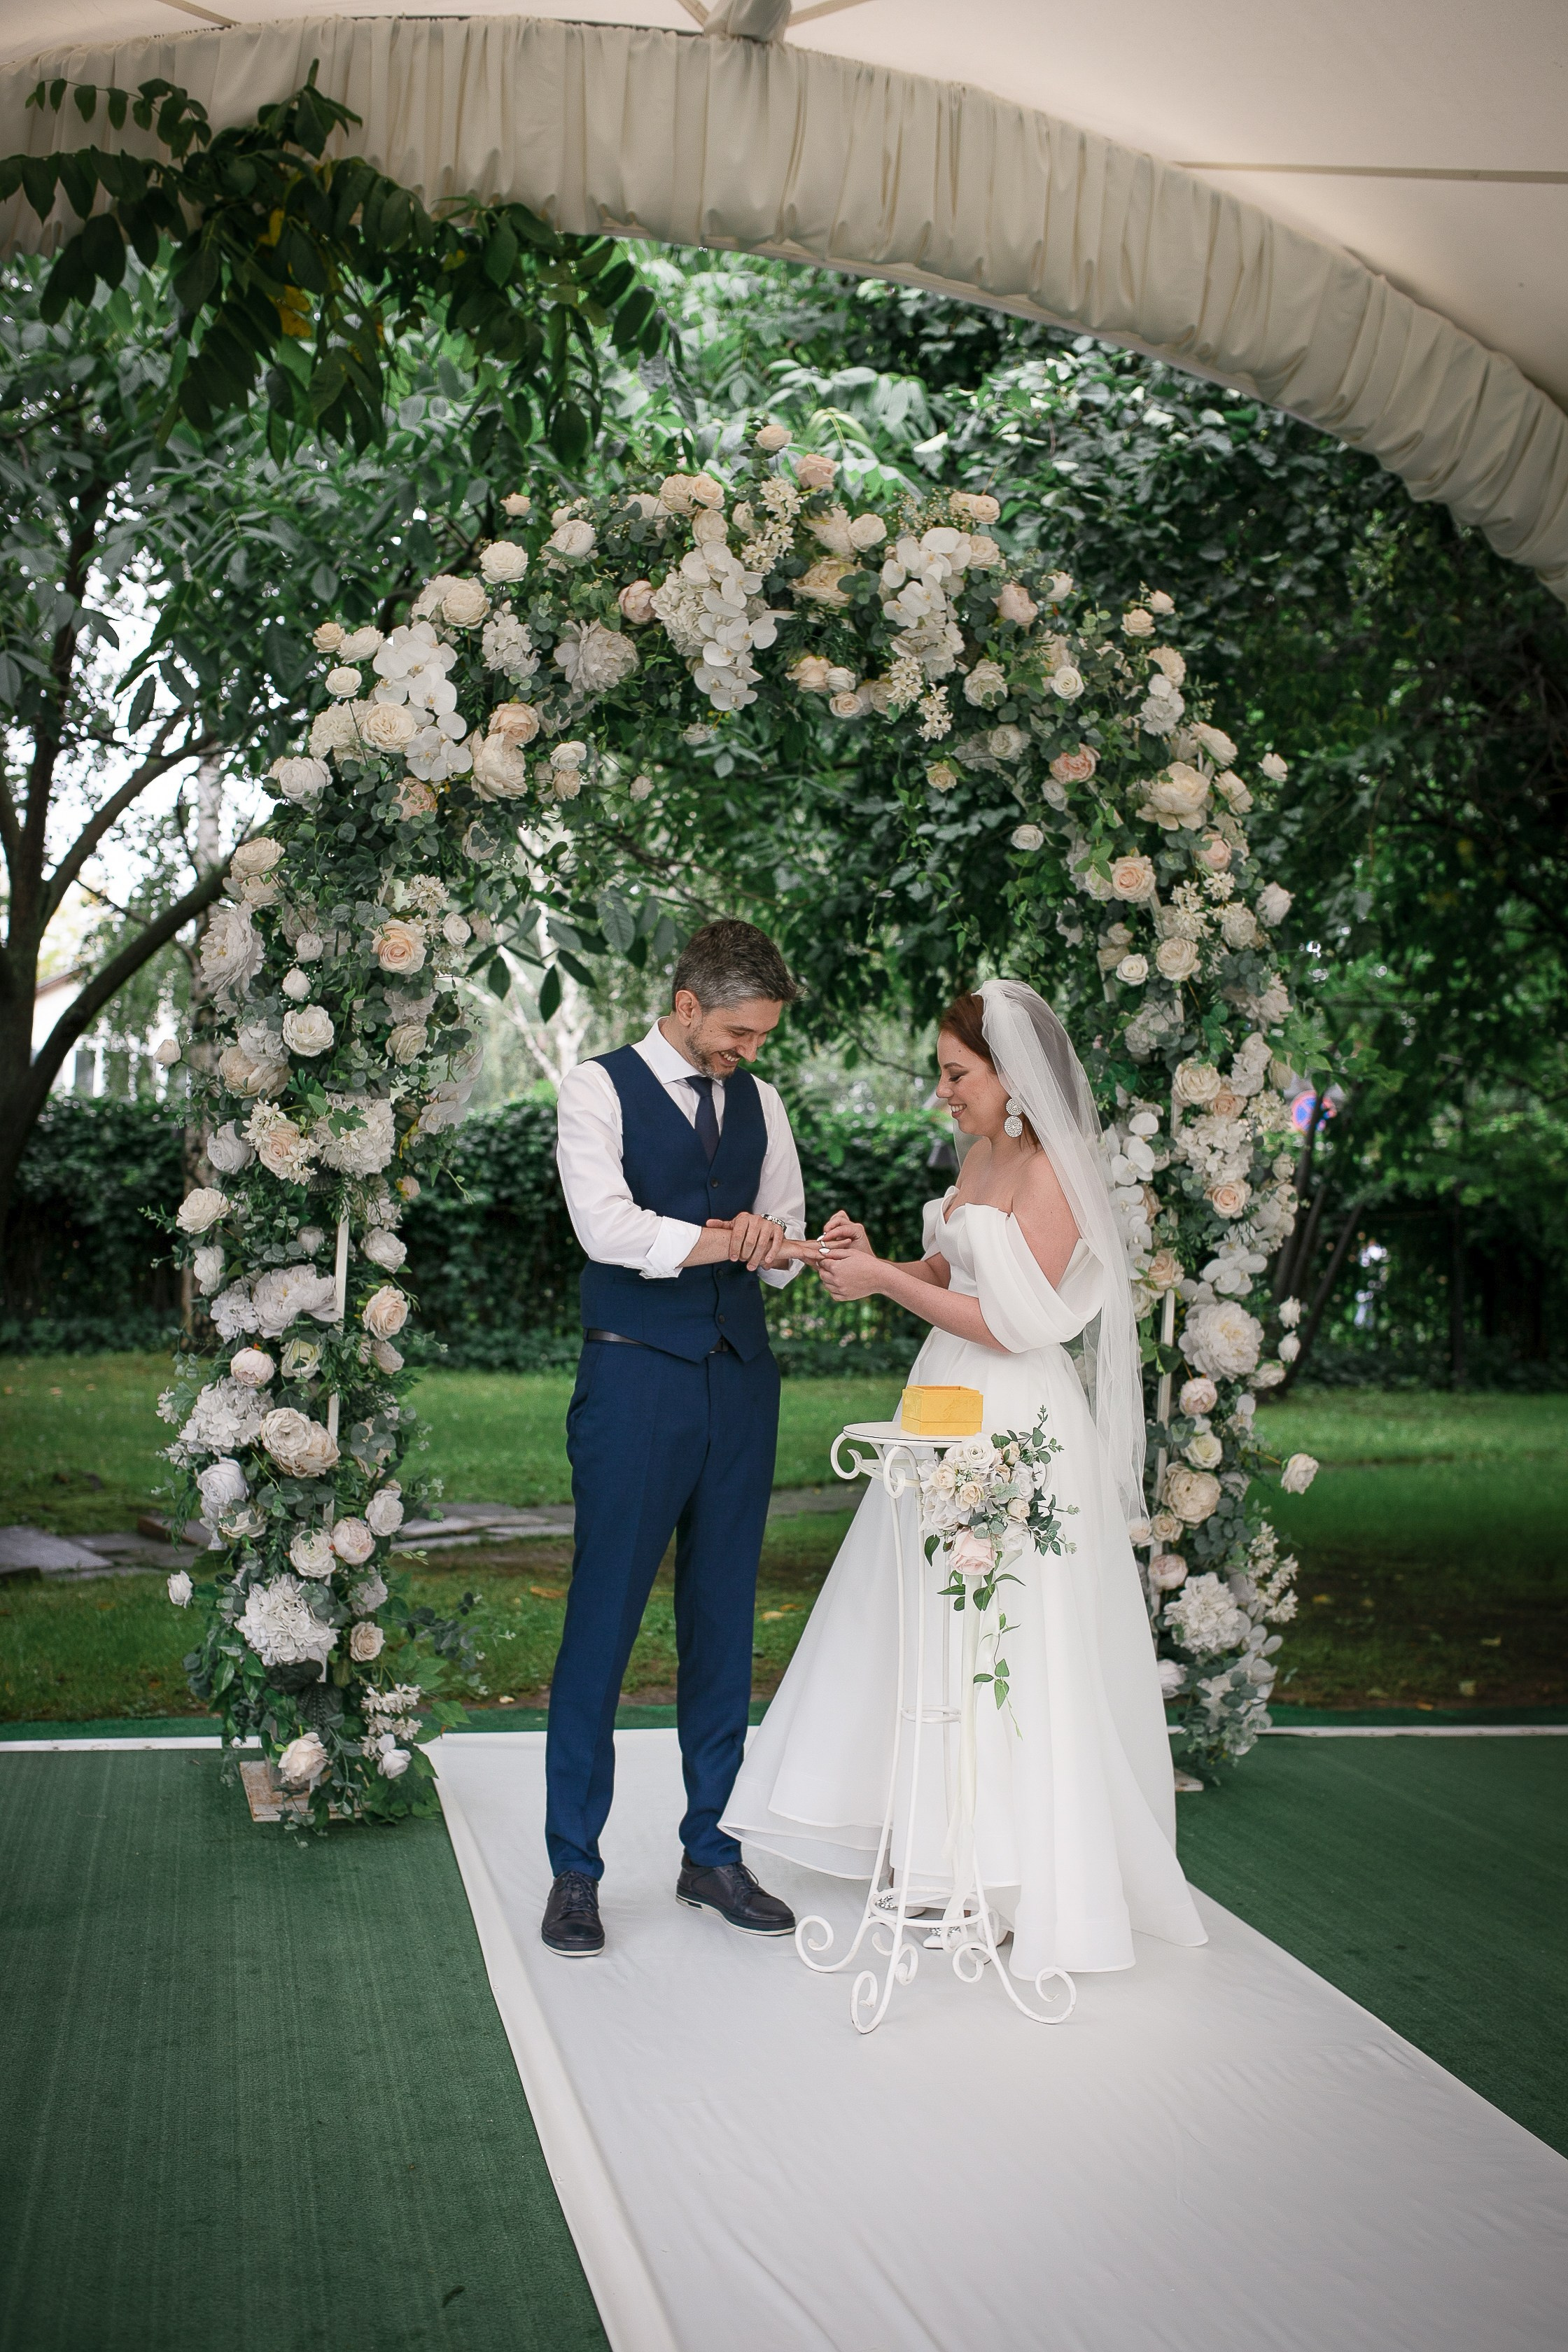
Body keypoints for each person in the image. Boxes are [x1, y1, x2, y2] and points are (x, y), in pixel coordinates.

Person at [723, 980, 1208, 1977]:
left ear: (1013, 1079)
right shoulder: (982, 1155)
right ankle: (944, 1853)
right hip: (941, 1407)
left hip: (1016, 1419)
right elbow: (955, 1275)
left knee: (1009, 1634)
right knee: (927, 1624)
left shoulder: (1058, 1176)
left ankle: (1019, 1870)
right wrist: (879, 1260)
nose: (944, 1093)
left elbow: (1018, 1321)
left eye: (958, 1074)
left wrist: (888, 1286)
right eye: (943, 1074)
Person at [542, 920, 807, 1958]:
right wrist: (720, 1241)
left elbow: (776, 1242)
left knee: (723, 1617)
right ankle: (575, 1867)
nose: (748, 1054)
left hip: (741, 1384)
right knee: (602, 1620)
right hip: (634, 1383)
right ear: (688, 1004)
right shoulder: (596, 1089)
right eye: (738, 1034)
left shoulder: (764, 1103)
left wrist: (789, 1246)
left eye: (761, 1040)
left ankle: (714, 1850)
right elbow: (607, 1229)